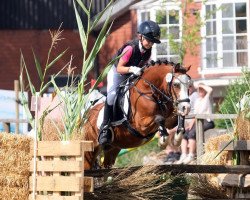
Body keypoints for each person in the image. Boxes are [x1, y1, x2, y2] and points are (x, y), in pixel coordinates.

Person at [98, 20, 161, 147]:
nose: (150, 44)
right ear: (140, 36)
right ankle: (105, 127)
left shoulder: (148, 51)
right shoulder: (130, 49)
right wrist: (132, 69)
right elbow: (120, 68)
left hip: (132, 74)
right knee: (112, 95)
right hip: (117, 73)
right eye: (148, 40)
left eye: (152, 41)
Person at [177, 83, 215, 164]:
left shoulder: (207, 98)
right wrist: (190, 124)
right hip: (198, 120)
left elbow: (210, 90)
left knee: (192, 133)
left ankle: (191, 155)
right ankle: (184, 155)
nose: (200, 92)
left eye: (202, 90)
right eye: (199, 90)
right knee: (185, 133)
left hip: (207, 121)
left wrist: (200, 85)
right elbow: (196, 114)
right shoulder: (197, 100)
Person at [163, 81, 198, 164]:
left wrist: (190, 124)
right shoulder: (182, 97)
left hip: (189, 121)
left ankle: (176, 153)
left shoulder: (194, 96)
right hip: (182, 120)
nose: (187, 89)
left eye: (188, 87)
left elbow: (196, 112)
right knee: (167, 131)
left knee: (170, 132)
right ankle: (171, 153)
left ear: (191, 87)